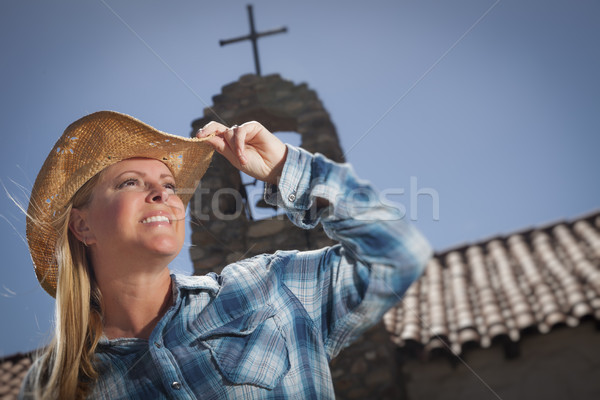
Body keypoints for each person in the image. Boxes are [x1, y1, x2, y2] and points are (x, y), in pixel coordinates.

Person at [20, 111, 431, 399]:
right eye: (131, 182)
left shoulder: (271, 287)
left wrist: (285, 168)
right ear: (82, 225)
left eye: (168, 183)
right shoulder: (51, 387)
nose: (164, 193)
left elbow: (397, 254)